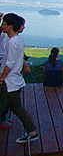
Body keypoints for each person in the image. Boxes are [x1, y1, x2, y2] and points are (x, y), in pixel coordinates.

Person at [0, 13, 38, 143]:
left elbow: (9, 63)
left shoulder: (11, 42)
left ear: (10, 26)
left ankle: (32, 132)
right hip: (16, 81)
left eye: (4, 24)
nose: (2, 26)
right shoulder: (19, 39)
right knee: (17, 109)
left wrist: (1, 78)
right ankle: (32, 132)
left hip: (8, 82)